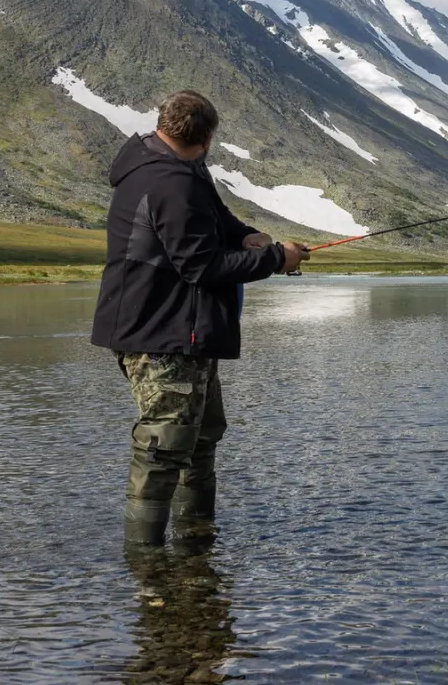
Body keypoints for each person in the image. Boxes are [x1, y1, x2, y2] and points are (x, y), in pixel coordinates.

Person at [92, 90, 308, 545]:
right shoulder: (171, 182)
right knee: (164, 447)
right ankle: (145, 562)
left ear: (164, 125)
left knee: (201, 438)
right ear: (208, 137)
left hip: (180, 331)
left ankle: (196, 547)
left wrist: (250, 237)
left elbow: (218, 221)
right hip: (161, 334)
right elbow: (201, 266)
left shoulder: (181, 171)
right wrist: (275, 259)